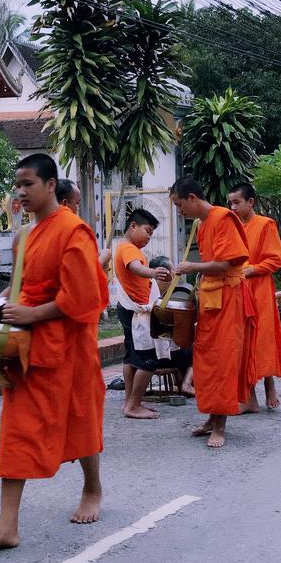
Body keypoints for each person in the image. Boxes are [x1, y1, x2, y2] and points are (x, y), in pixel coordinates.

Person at [0, 154, 109, 553]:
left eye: (29, 184)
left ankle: (92, 488)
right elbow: (17, 287)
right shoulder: (24, 236)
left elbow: (84, 297)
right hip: (27, 349)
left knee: (79, 418)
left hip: (70, 345)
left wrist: (33, 313)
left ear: (51, 185)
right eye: (18, 185)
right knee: (17, 431)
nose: (21, 192)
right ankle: (7, 525)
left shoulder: (73, 231)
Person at [171, 176, 255, 448]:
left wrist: (191, 268)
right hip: (211, 301)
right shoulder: (204, 224)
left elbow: (225, 263)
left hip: (228, 299)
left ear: (192, 198)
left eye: (180, 204)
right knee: (206, 359)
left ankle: (220, 425)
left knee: (223, 361)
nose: (179, 211)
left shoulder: (223, 218)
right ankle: (210, 418)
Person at [228, 183, 281, 412]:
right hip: (238, 290)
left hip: (259, 289)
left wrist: (251, 269)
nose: (233, 207)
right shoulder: (233, 227)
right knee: (243, 339)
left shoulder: (265, 225)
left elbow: (275, 260)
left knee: (262, 337)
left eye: (237, 202)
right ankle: (250, 396)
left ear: (251, 202)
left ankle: (267, 384)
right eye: (231, 203)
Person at [112, 208, 172, 420]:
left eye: (151, 234)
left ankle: (131, 401)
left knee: (130, 357)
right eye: (147, 231)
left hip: (129, 309)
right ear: (133, 226)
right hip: (135, 311)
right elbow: (135, 268)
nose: (148, 237)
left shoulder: (125, 247)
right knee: (148, 360)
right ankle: (134, 405)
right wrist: (154, 272)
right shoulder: (129, 249)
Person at [149, 255, 194, 396]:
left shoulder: (145, 290)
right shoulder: (171, 296)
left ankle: (179, 381)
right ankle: (186, 383)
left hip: (144, 354)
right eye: (173, 270)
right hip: (162, 356)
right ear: (166, 273)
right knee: (195, 346)